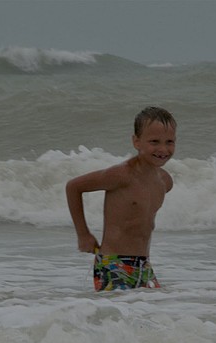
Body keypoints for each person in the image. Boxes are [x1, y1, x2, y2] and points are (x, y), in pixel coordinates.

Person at [66, 106, 176, 291]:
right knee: (119, 315)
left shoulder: (165, 181)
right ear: (136, 141)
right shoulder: (122, 175)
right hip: (113, 263)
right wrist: (83, 234)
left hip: (144, 265)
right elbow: (73, 187)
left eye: (169, 142)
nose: (163, 149)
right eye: (154, 141)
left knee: (154, 313)